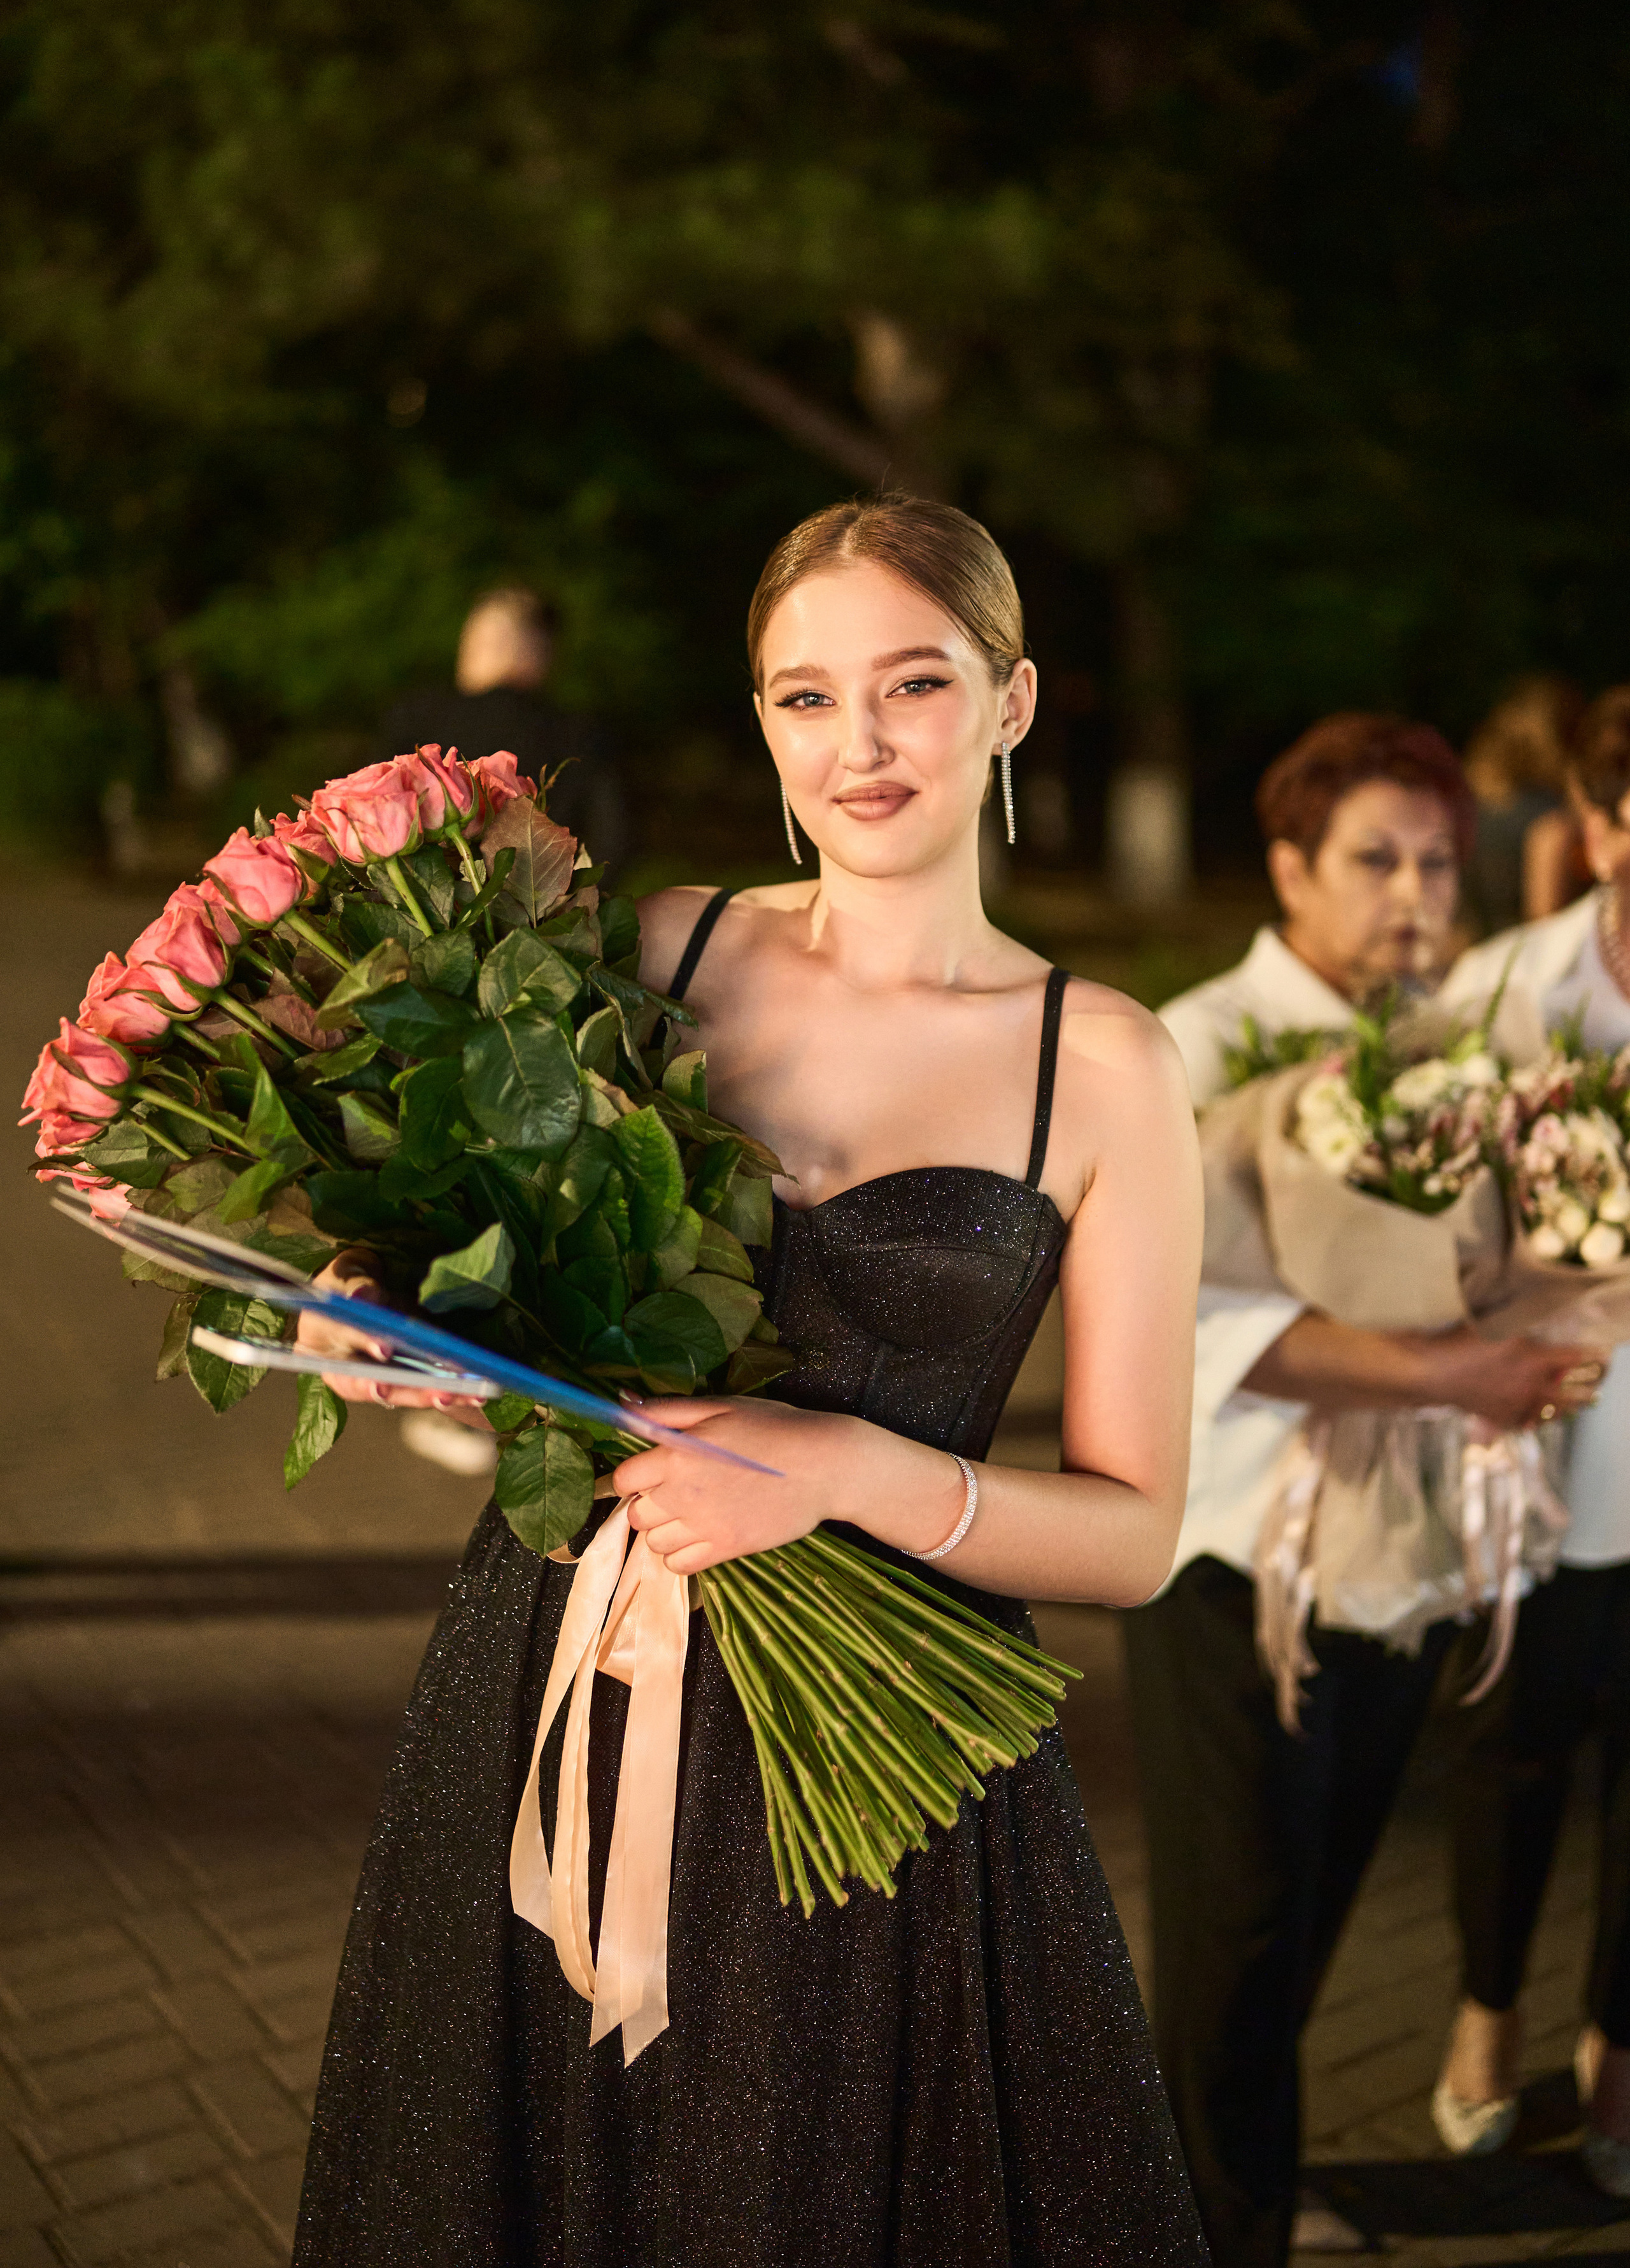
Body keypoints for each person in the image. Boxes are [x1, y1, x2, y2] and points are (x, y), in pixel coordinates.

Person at [290, 496, 1211, 2265]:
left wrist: (841, 1475)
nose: (857, 746)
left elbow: (1139, 1532)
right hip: (557, 1673)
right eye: (805, 698)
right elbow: (516, 1302)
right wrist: (394, 1306)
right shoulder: (666, 953)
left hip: (862, 1807)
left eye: (914, 685)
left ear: (1012, 704)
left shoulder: (1099, 1062)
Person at [1130, 712, 1596, 2268]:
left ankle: (1236, 2177)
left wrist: (1549, 1315)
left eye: (1435, 863)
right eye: (1372, 859)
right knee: (1235, 1919)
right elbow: (1185, 1326)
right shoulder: (1189, 1045)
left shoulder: (1458, 1050)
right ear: (1287, 867)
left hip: (1398, 1548)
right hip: (1224, 1553)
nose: (1410, 893)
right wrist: (1448, 1375)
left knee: (1318, 1894)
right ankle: (1206, 2217)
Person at [1432, 684, 1630, 2192]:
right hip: (1543, 1446)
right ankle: (1482, 2015)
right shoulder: (1508, 989)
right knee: (1509, 1751)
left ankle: (1614, 2048)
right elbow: (1419, 1219)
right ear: (1598, 822)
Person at [382, 585, 627, 1479]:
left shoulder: (413, 722)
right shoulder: (582, 731)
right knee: (536, 1175)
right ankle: (538, 1378)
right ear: (538, 653)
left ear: (482, 642)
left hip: (426, 992)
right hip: (544, 989)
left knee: (436, 1170)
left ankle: (446, 1384)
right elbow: (611, 852)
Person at [379, 585, 626, 867]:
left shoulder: (417, 716)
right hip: (547, 901)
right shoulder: (583, 732)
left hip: (423, 901)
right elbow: (612, 842)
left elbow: (377, 813)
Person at [1461, 674, 1587, 933]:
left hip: (1469, 957)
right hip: (1519, 963)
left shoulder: (1467, 805)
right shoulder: (1549, 822)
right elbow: (1543, 926)